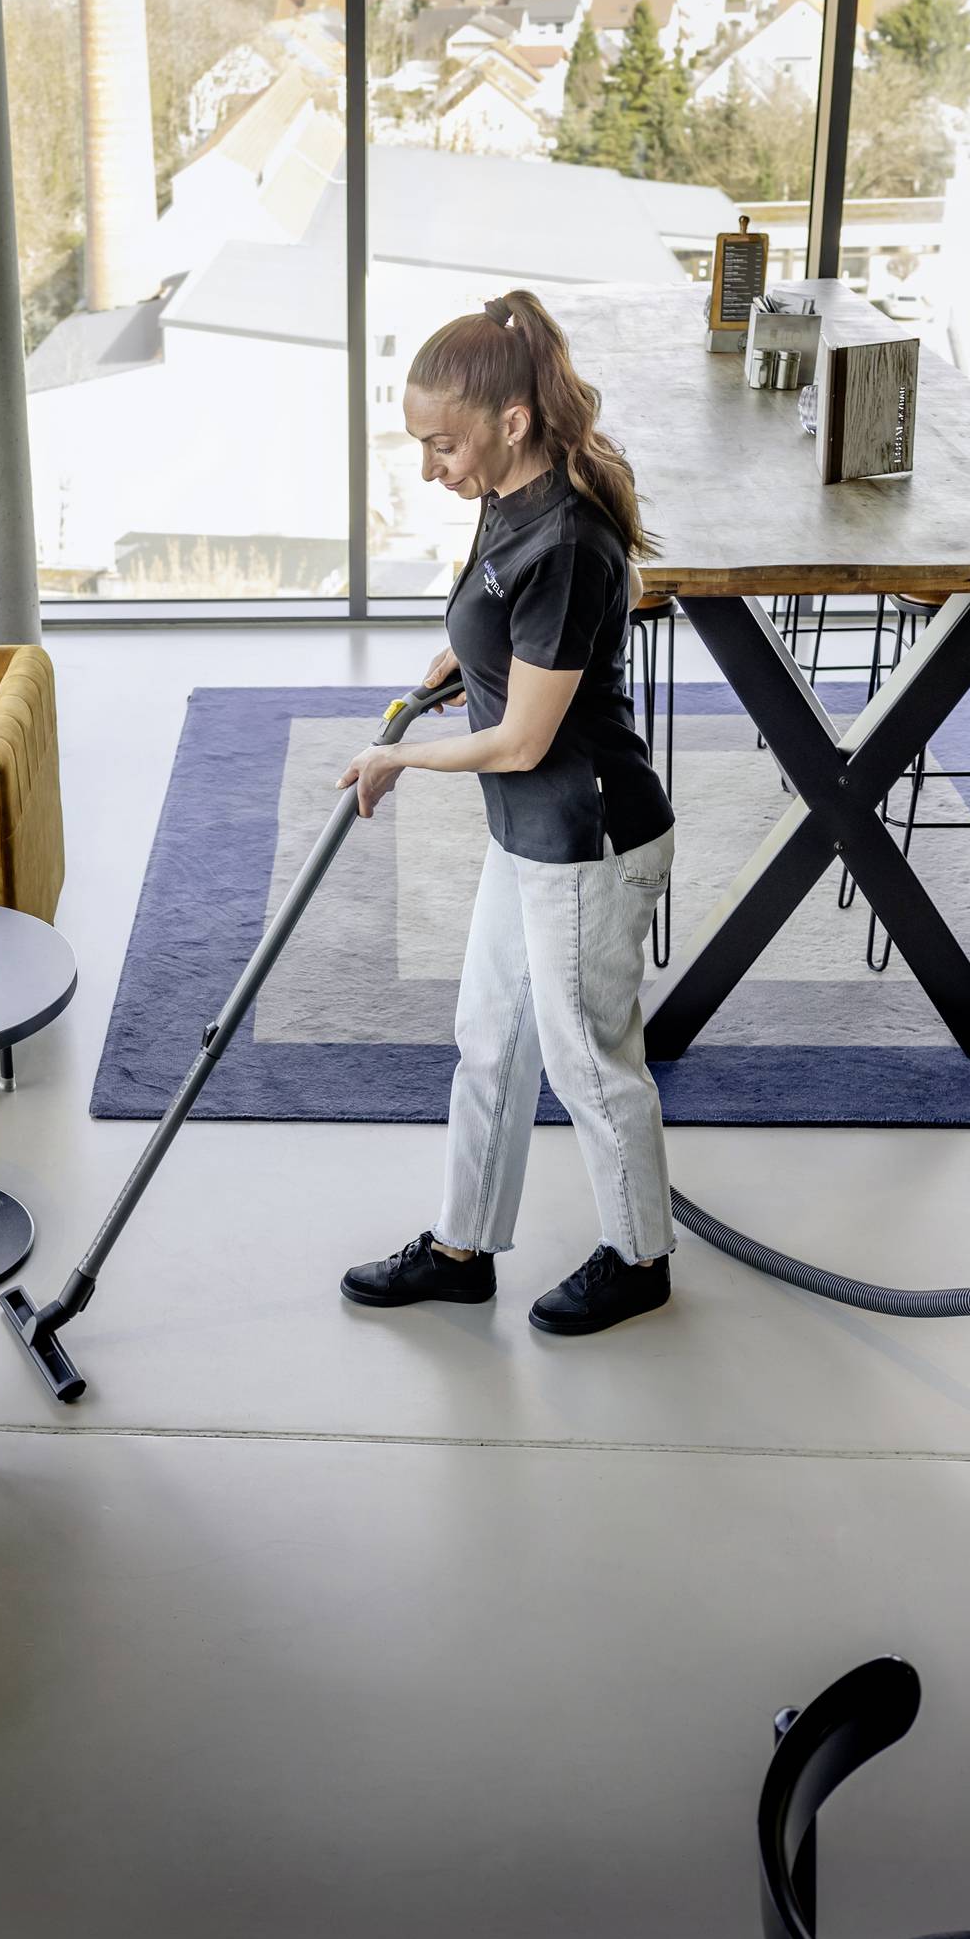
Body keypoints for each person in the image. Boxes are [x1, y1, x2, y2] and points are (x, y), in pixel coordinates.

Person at [337, 290, 678, 1337]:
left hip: (588, 838)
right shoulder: (508, 496)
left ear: (510, 422)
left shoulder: (570, 540)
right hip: (528, 832)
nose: (433, 467)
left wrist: (402, 756)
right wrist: (457, 659)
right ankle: (461, 1248)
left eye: (443, 444)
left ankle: (640, 1258)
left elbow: (527, 740)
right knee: (488, 1035)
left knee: (585, 1055)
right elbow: (492, 606)